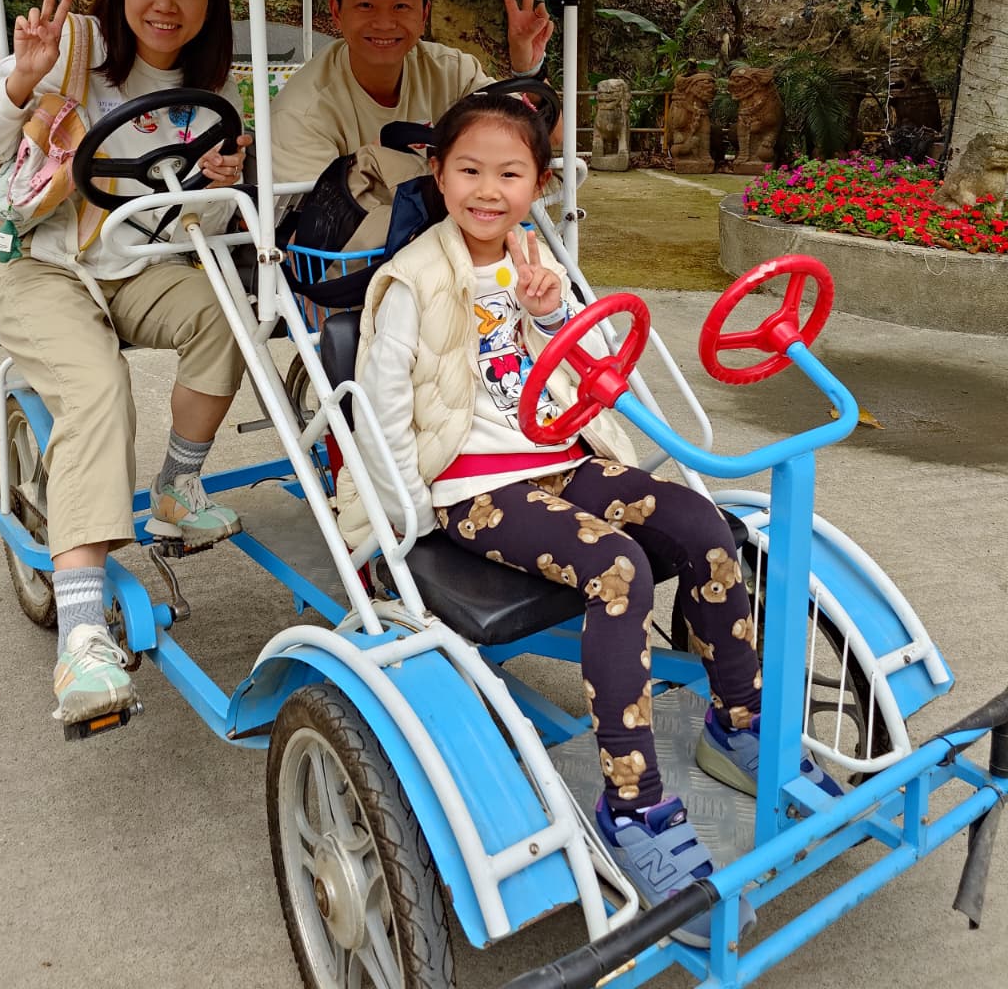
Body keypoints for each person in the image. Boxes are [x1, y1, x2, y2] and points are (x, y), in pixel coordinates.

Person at [350, 91, 839, 944]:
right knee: (619, 569)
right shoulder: (412, 281)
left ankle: (738, 721)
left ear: (539, 183)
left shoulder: (539, 259)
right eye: (470, 171)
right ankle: (632, 804)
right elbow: (384, 408)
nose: (489, 190)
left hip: (566, 461)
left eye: (510, 174)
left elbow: (595, 365)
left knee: (702, 525)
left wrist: (549, 312)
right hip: (475, 489)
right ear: (438, 174)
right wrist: (402, 520)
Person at [0, 0, 252, 727]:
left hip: (134, 270)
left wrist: (218, 184)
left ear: (210, 6)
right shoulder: (70, 49)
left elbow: (191, 224)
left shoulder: (212, 99)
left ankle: (176, 489)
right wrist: (23, 78)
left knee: (228, 314)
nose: (165, 3)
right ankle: (81, 636)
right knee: (96, 387)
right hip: (42, 267)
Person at [269, 0, 555, 187]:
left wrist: (529, 71)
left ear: (424, 14)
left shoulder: (452, 72)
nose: (384, 23)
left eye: (401, 6)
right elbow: (323, 223)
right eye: (366, 5)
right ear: (336, 12)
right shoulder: (301, 112)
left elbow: (545, 151)